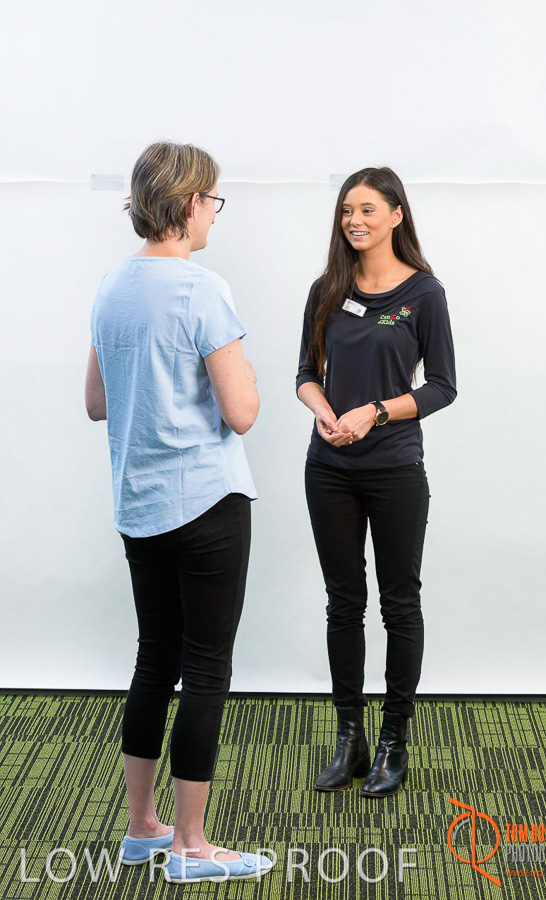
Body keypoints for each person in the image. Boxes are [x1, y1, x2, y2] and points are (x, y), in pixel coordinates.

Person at [85, 140, 273, 883]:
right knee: (205, 669)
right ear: (190, 202)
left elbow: (96, 402)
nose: (213, 215)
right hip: (205, 502)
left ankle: (142, 829)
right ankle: (192, 847)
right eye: (212, 202)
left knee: (153, 659)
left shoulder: (111, 286)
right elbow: (243, 411)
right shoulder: (202, 290)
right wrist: (243, 371)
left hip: (139, 505)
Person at [296, 166, 457, 797]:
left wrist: (377, 412)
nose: (354, 221)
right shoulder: (327, 289)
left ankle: (394, 741)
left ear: (396, 214)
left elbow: (442, 386)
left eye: (367, 209)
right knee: (343, 603)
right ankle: (350, 739)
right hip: (328, 469)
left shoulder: (425, 293)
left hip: (394, 470)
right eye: (346, 211)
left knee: (399, 604)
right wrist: (323, 410)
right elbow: (306, 373)